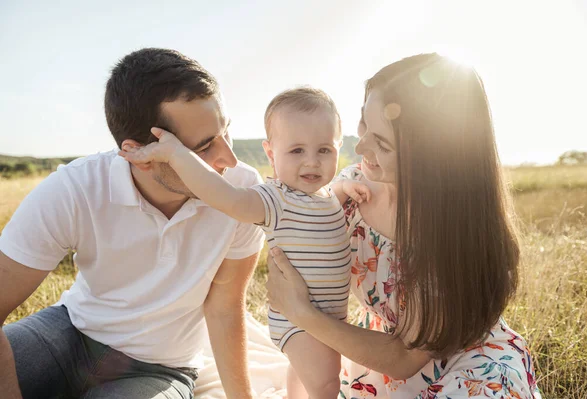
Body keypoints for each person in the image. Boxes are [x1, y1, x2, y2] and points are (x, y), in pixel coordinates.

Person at [265, 53, 542, 398]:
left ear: (430, 155)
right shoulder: (353, 187)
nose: (360, 146)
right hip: (377, 356)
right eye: (363, 125)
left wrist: (299, 311)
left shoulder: (451, 234)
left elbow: (405, 358)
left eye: (381, 142)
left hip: (467, 370)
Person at [0, 48, 265, 399]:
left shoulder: (243, 193)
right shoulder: (75, 189)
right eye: (202, 148)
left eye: (226, 132)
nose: (229, 159)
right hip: (70, 332)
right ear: (140, 155)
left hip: (161, 368)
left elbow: (225, 307)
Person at [119, 87, 376, 399]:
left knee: (303, 373)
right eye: (296, 151)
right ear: (271, 153)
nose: (312, 162)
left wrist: (345, 186)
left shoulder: (324, 195)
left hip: (327, 318)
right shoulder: (275, 199)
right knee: (325, 384)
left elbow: (327, 205)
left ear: (339, 148)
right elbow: (226, 197)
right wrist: (178, 155)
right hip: (299, 320)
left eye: (324, 150)